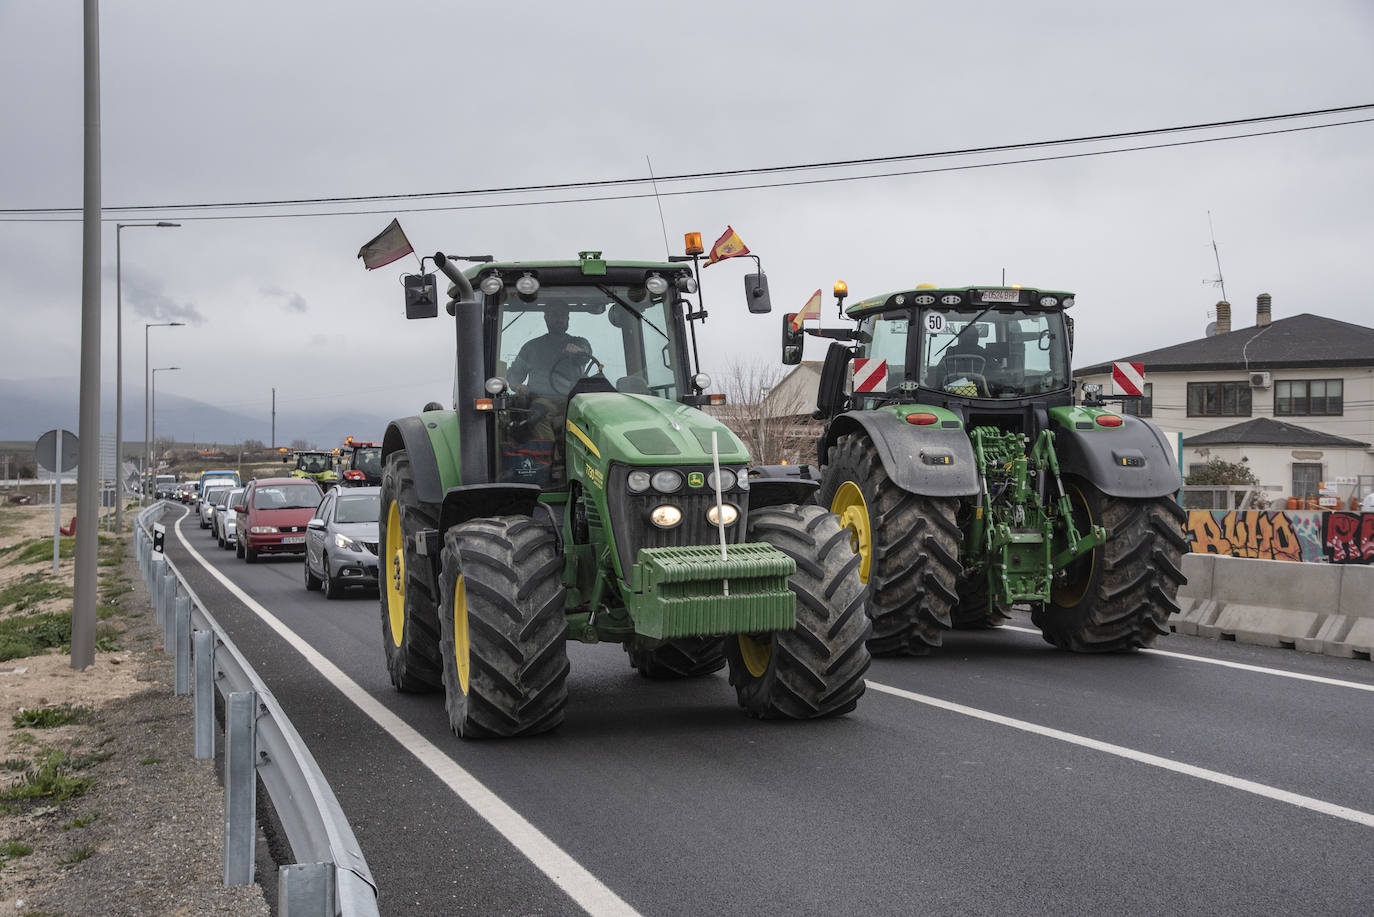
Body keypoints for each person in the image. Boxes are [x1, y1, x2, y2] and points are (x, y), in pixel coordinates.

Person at [507, 303, 593, 395]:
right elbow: (514, 376)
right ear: (546, 319)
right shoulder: (531, 347)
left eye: (563, 315)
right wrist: (517, 386)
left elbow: (585, 356)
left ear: (568, 319)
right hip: (537, 404)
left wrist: (579, 352)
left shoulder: (580, 343)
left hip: (572, 403)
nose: (560, 319)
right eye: (555, 315)